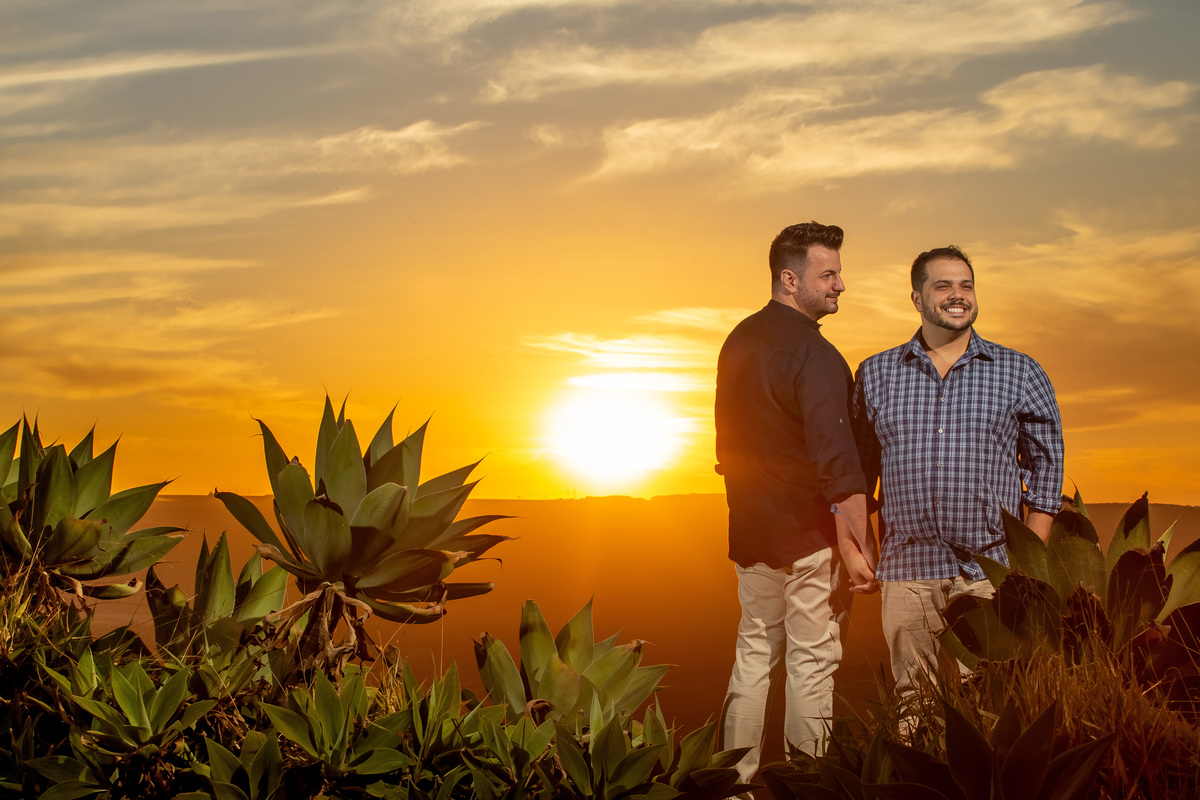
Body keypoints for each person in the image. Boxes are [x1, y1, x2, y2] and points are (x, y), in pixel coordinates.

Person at [850, 245, 1064, 696]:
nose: (957, 294)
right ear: (917, 298)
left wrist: (1028, 560)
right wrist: (861, 547)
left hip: (991, 571)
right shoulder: (876, 373)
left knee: (993, 699)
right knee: (914, 702)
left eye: (966, 285)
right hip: (907, 568)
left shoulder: (1019, 371)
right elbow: (857, 471)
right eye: (943, 285)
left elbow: (1047, 465)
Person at [715, 221, 876, 782]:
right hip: (808, 538)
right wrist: (859, 549)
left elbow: (725, 447)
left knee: (754, 656)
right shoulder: (817, 354)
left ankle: (732, 789)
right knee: (812, 663)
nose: (840, 285)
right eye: (827, 274)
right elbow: (839, 464)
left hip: (753, 533)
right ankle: (808, 789)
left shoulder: (737, 341)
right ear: (791, 279)